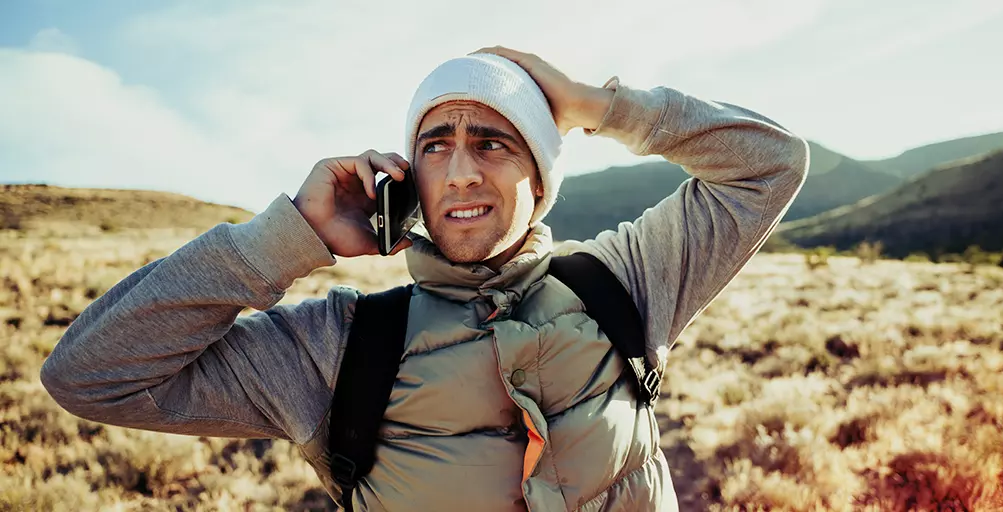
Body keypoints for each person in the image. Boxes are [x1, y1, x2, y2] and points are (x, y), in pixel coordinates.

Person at [40, 46, 809, 511]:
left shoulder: (624, 282)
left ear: (541, 180)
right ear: (407, 178)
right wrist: (287, 238)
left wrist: (601, 106)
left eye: (496, 142)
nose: (464, 171)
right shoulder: (339, 347)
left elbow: (770, 164)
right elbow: (90, 376)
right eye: (436, 145)